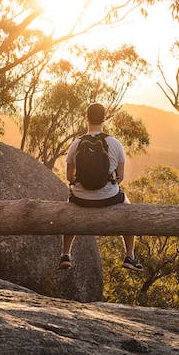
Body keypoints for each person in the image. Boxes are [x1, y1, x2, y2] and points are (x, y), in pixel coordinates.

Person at [58, 103, 142, 271]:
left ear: (86, 118)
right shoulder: (115, 143)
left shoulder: (77, 143)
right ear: (104, 119)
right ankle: (129, 256)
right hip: (108, 198)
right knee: (129, 211)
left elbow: (69, 177)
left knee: (69, 206)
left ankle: (65, 254)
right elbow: (120, 177)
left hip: (81, 199)